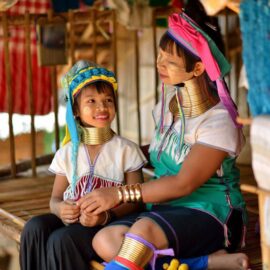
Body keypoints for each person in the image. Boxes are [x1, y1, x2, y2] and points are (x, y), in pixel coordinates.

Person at [76, 11, 250, 270]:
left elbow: (183, 183)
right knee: (106, 240)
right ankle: (204, 263)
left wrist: (118, 194)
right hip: (167, 209)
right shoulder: (168, 106)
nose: (159, 65)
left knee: (143, 232)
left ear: (198, 68)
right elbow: (159, 151)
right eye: (159, 56)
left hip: (212, 214)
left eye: (169, 61)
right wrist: (113, 154)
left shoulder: (218, 120)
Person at [19, 60, 147, 270]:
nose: (102, 107)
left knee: (62, 239)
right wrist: (61, 209)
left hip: (109, 222)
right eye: (92, 101)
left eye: (108, 100)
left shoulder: (126, 150)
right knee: (34, 228)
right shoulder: (67, 152)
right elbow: (55, 199)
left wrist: (106, 215)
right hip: (74, 221)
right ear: (75, 110)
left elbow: (138, 201)